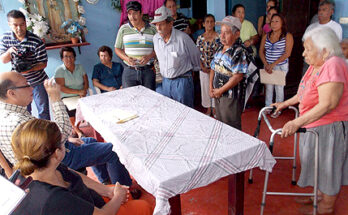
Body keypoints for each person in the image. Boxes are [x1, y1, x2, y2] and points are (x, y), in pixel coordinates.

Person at [0, 71, 133, 188]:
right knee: (113, 150)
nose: (32, 87)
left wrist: (67, 139)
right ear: (11, 93)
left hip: (46, 152)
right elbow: (60, 133)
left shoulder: (6, 111)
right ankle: (125, 189)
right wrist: (55, 98)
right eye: (26, 85)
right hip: (53, 160)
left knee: (90, 140)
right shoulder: (18, 121)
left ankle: (105, 180)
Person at [273, 27, 348, 215]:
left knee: (329, 168)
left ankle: (326, 207)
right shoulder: (317, 65)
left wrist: (295, 123)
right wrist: (283, 104)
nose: (304, 53)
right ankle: (318, 197)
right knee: (319, 166)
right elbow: (302, 93)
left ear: (324, 50)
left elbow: (328, 104)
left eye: (308, 49)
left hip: (330, 128)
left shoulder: (333, 64)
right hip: (315, 126)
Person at [10, 119, 152, 215]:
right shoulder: (54, 198)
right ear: (57, 153)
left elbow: (72, 173)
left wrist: (106, 190)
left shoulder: (42, 165)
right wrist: (117, 197)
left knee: (126, 196)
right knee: (145, 206)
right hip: (97, 210)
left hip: (91, 202)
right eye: (63, 142)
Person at [0, 10, 50, 120]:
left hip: (37, 81)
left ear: (25, 23)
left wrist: (30, 68)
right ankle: (27, 134)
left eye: (22, 24)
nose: (19, 28)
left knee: (43, 110)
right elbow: (3, 60)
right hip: (18, 83)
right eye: (15, 25)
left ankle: (46, 135)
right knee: (23, 111)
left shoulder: (36, 41)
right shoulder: (5, 38)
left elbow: (43, 63)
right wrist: (9, 52)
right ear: (9, 24)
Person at [152, 6, 200, 108]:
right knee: (170, 112)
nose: (158, 28)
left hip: (182, 82)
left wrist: (192, 72)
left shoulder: (183, 38)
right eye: (156, 25)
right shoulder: (156, 39)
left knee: (185, 113)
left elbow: (196, 57)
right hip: (165, 82)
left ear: (170, 23)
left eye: (161, 24)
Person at [210, 16, 253, 130]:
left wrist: (220, 90)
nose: (222, 36)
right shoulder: (220, 48)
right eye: (221, 32)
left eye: (227, 33)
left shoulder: (238, 52)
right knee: (220, 124)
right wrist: (211, 87)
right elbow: (213, 68)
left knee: (231, 127)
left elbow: (237, 77)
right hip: (217, 94)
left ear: (237, 34)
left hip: (230, 97)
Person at [115, 1, 157, 90]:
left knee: (149, 100)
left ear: (141, 13)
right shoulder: (123, 29)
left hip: (148, 71)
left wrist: (149, 56)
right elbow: (117, 48)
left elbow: (159, 49)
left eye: (135, 13)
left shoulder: (153, 29)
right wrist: (127, 58)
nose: (132, 17)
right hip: (129, 71)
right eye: (129, 14)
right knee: (130, 101)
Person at [259, 14, 294, 117]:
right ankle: (268, 107)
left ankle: (278, 108)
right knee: (269, 87)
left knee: (279, 88)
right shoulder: (266, 36)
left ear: (282, 23)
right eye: (272, 22)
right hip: (268, 65)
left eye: (276, 21)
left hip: (280, 66)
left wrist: (273, 64)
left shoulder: (287, 36)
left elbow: (287, 53)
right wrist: (266, 64)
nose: (273, 24)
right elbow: (261, 51)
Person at [54, 47, 88, 137]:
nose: (69, 59)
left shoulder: (80, 67)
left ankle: (76, 128)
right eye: (66, 56)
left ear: (74, 57)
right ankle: (77, 130)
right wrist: (78, 92)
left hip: (80, 95)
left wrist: (84, 91)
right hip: (67, 96)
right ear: (62, 58)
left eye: (71, 56)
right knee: (72, 109)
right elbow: (61, 88)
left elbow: (86, 81)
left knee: (85, 106)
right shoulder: (59, 70)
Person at [196, 14, 220, 116]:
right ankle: (208, 108)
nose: (209, 24)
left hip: (216, 69)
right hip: (203, 68)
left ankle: (215, 108)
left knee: (215, 87)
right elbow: (196, 54)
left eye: (211, 21)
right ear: (203, 24)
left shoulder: (219, 37)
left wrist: (213, 68)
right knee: (205, 88)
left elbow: (221, 54)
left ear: (214, 23)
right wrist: (202, 67)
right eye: (207, 22)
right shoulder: (200, 38)